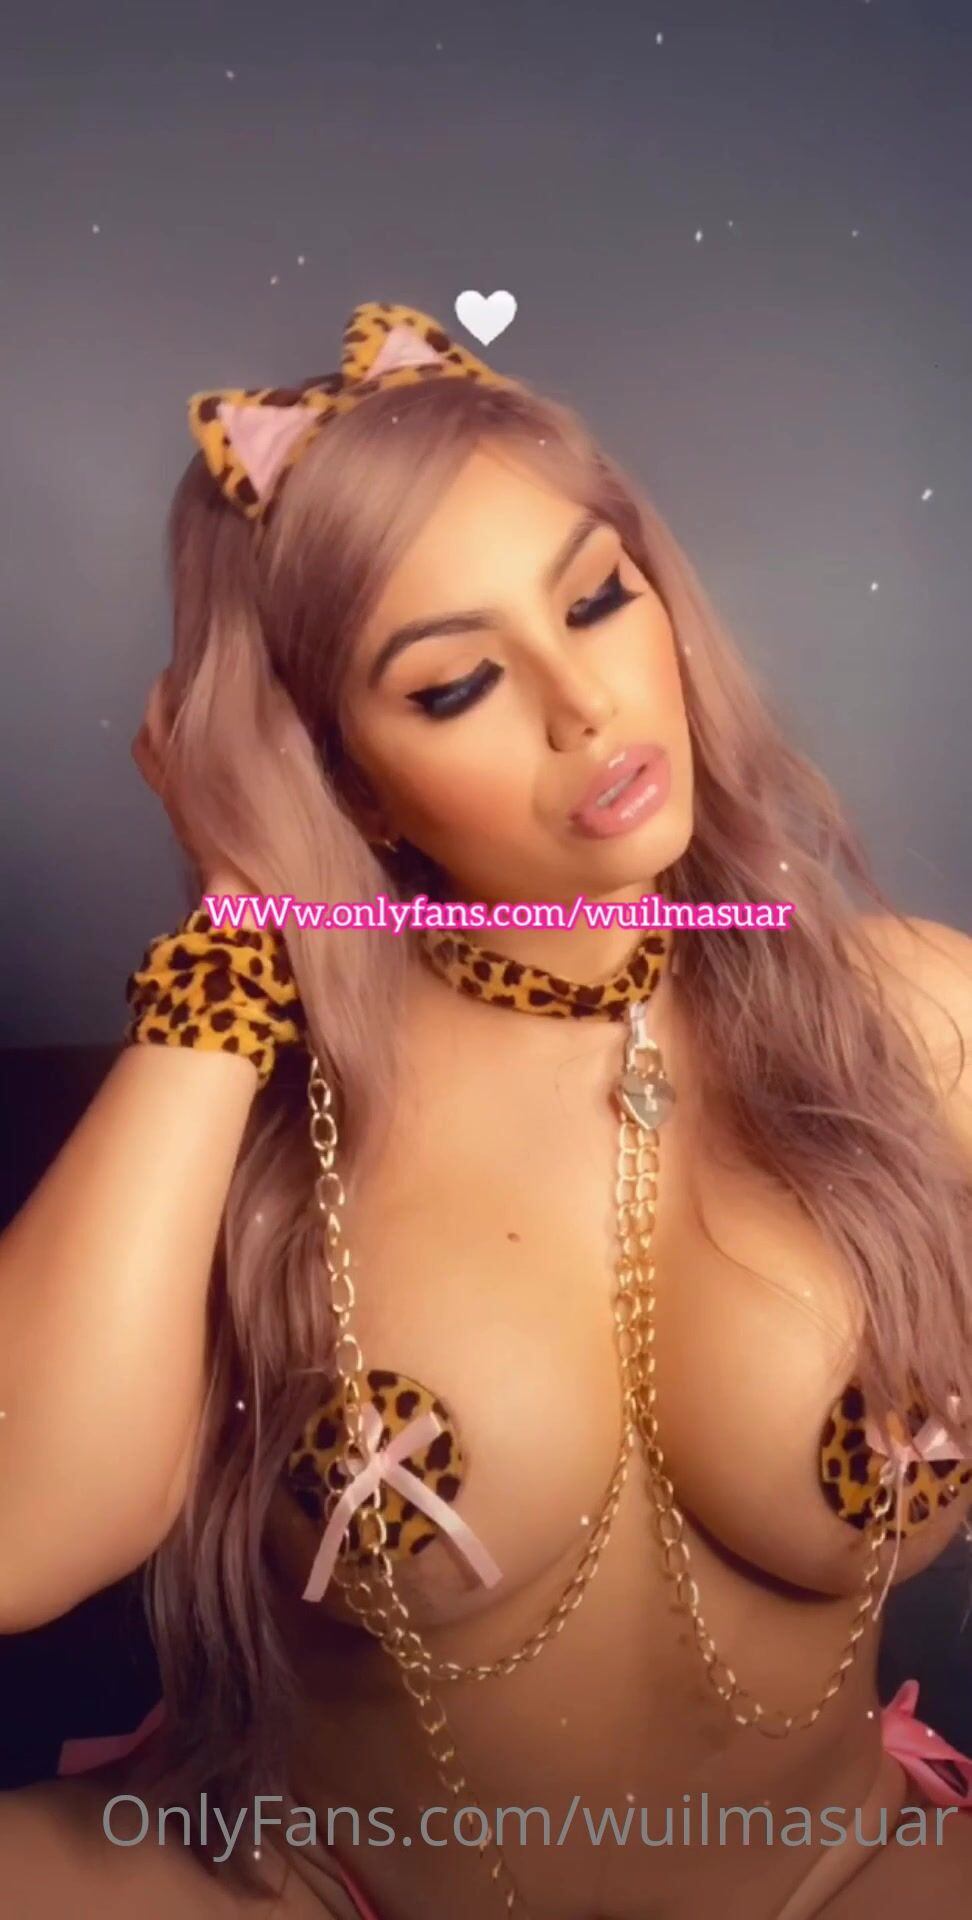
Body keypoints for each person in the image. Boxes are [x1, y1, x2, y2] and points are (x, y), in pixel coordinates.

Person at [1, 299, 971, 1920]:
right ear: (340, 773)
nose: (585, 704)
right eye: (455, 685)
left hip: (845, 1875)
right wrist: (241, 937)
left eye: (596, 597)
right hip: (317, 1888)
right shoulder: (255, 1113)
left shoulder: (915, 1017)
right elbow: (23, 1538)